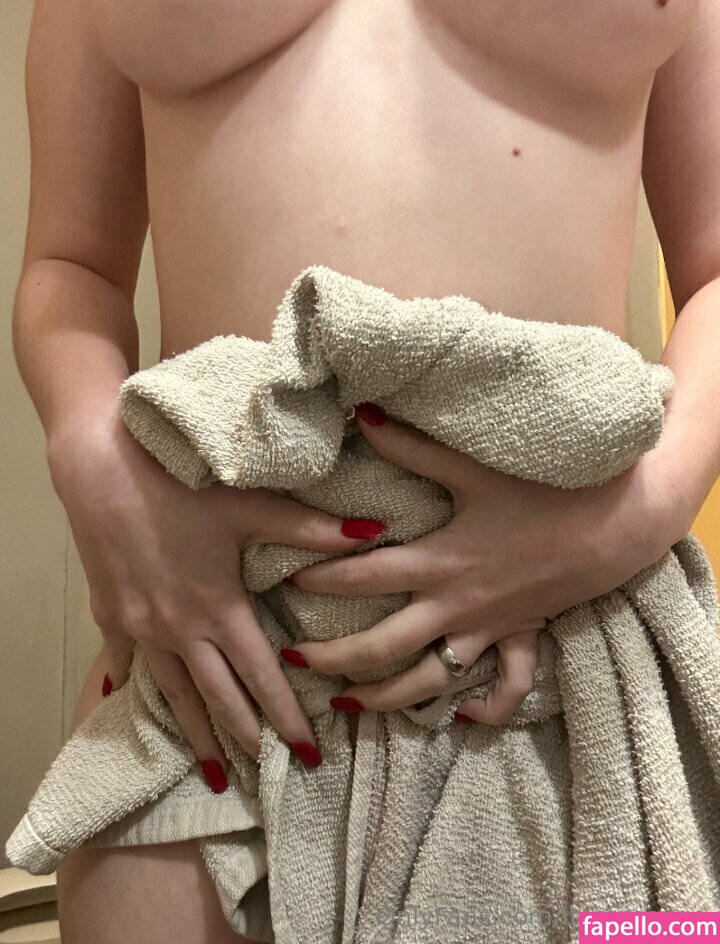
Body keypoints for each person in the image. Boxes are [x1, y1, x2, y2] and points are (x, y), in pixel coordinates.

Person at [11, 0, 720, 941]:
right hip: (215, 649)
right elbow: (71, 265)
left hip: (571, 642)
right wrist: (90, 453)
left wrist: (640, 512)